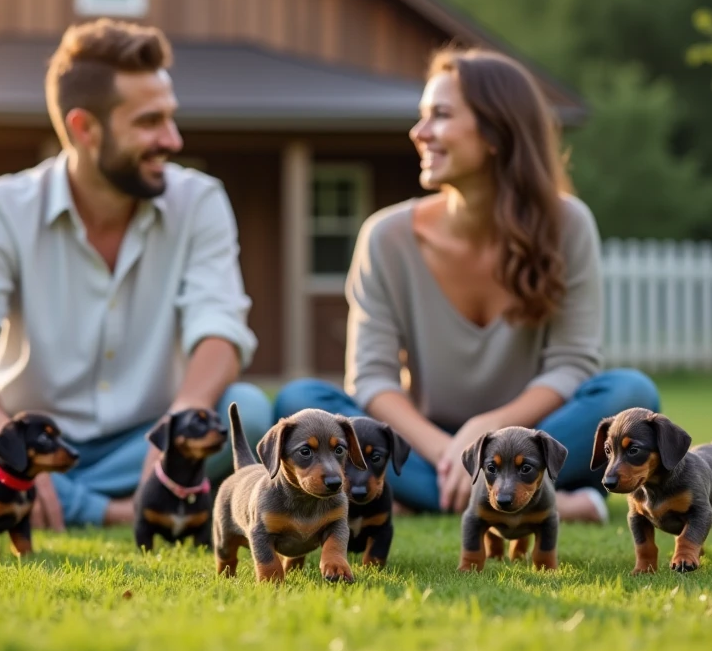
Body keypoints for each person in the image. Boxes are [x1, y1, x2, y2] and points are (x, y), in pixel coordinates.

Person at [0, 18, 274, 530]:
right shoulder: (0, 208)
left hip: (145, 445)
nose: (172, 138)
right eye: (150, 122)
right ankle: (122, 510)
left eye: (170, 118)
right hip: (28, 449)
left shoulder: (201, 201)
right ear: (84, 128)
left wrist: (179, 418)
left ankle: (54, 504)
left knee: (246, 411)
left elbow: (220, 331)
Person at [273, 47, 660, 523]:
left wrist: (489, 427)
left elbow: (572, 365)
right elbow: (372, 379)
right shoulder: (386, 237)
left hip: (531, 438)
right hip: (424, 443)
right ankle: (540, 502)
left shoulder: (569, 225)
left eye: (440, 115)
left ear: (496, 132)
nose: (419, 132)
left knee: (629, 392)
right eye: (422, 116)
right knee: (300, 401)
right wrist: (450, 451)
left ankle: (434, 496)